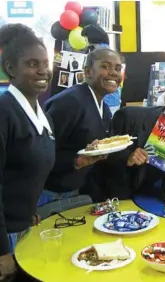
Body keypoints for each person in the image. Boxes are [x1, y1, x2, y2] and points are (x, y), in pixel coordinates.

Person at [0, 24, 54, 281]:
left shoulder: (38, 114)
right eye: (32, 64)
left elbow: (24, 170)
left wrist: (26, 207)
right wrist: (2, 251)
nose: (42, 71)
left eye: (44, 63)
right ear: (10, 69)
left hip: (20, 227)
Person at [42, 48, 124, 204]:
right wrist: (76, 161)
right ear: (88, 72)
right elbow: (40, 152)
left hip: (77, 190)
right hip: (50, 194)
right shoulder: (68, 103)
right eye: (105, 66)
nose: (114, 73)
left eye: (118, 68)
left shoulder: (104, 109)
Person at [103, 75, 165, 200]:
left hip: (149, 204)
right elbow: (102, 157)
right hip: (110, 198)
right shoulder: (129, 116)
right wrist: (128, 157)